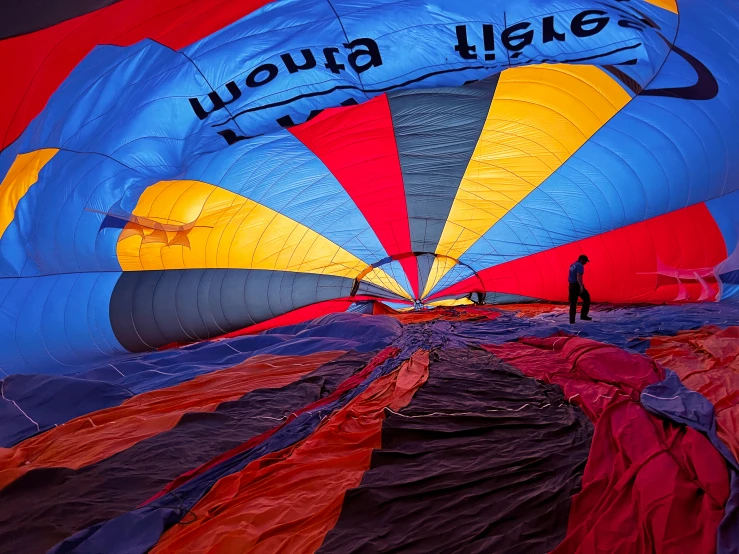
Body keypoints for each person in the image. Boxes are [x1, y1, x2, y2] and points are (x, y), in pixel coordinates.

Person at [568, 255, 592, 324]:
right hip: (577, 285)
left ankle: (572, 321)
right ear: (582, 259)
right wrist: (581, 286)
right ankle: (583, 316)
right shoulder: (580, 265)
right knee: (587, 298)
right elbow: (579, 276)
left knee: (573, 303)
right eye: (585, 261)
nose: (585, 263)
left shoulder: (572, 265)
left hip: (571, 285)